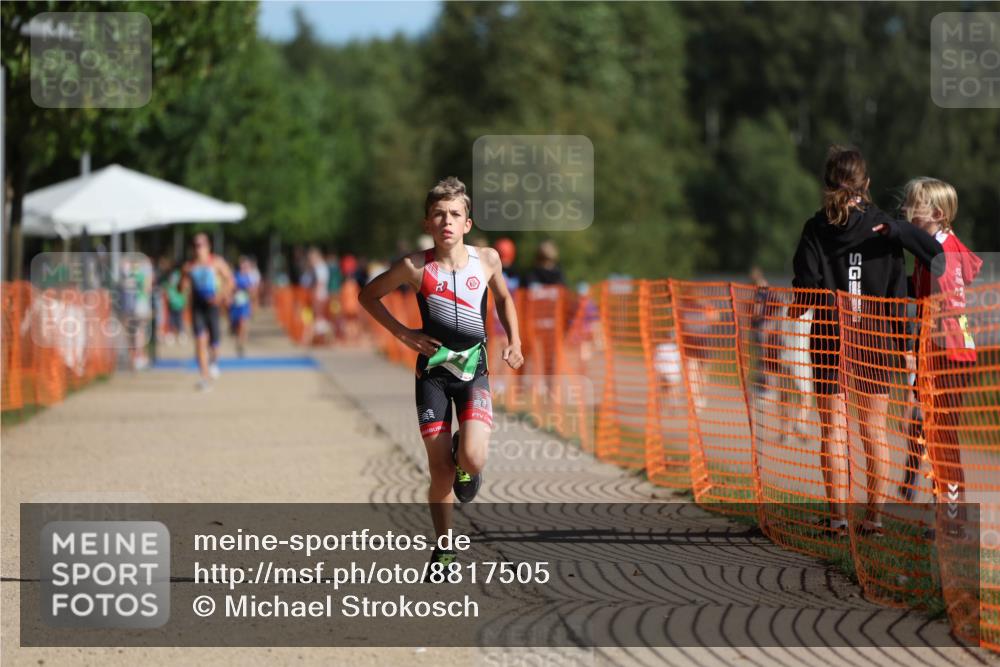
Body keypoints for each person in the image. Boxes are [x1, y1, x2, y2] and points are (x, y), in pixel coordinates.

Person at [359, 177, 523, 577]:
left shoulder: (487, 260)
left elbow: (502, 297)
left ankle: (467, 457)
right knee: (440, 472)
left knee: (472, 457)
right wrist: (404, 334)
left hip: (474, 373)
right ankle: (445, 549)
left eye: (455, 214)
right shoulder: (415, 267)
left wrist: (515, 340)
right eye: (439, 215)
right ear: (428, 223)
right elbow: (368, 295)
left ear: (467, 222)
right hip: (432, 376)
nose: (447, 221)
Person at [791, 145, 943, 537]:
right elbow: (895, 299)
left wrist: (796, 309)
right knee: (873, 431)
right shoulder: (884, 228)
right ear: (867, 184)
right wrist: (906, 347)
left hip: (829, 339)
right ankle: (873, 519)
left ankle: (838, 517)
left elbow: (806, 288)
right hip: (874, 342)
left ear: (826, 184)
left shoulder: (815, 228)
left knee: (833, 431)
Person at [897, 178, 981, 519]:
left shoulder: (941, 251)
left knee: (943, 437)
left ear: (936, 213)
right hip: (938, 352)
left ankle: (952, 514)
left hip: (950, 354)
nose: (905, 211)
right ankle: (937, 503)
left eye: (912, 205)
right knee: (930, 431)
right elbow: (917, 290)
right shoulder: (936, 247)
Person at [182, 233, 235, 391]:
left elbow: (230, 281)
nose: (199, 248)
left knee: (215, 345)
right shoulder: (190, 266)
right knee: (200, 341)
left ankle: (213, 362)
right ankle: (204, 378)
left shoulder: (216, 262)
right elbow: (183, 286)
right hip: (197, 307)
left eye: (202, 245)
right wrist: (182, 282)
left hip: (213, 307)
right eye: (196, 245)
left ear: (208, 246)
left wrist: (220, 296)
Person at [229, 256, 256, 357]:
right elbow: (230, 288)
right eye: (242, 266)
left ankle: (241, 344)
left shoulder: (250, 277)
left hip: (245, 304)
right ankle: (238, 340)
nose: (244, 268)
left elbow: (253, 292)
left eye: (246, 266)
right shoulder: (235, 276)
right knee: (237, 326)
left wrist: (250, 293)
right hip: (235, 305)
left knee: (244, 324)